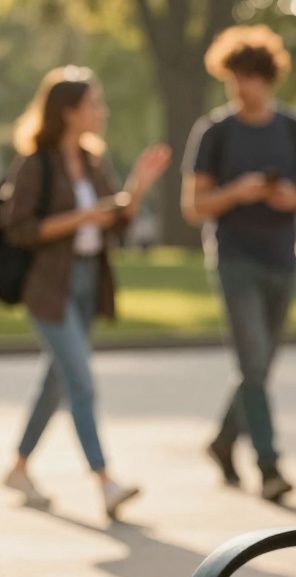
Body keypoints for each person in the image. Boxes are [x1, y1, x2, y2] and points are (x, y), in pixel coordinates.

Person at [1, 66, 171, 517]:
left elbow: (115, 219)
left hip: (87, 283)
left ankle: (18, 467)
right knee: (80, 381)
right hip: (48, 287)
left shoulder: (94, 161)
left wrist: (136, 188)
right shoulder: (35, 163)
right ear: (68, 111)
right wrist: (81, 218)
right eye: (94, 104)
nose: (102, 111)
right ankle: (105, 480)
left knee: (56, 382)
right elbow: (19, 228)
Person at [182, 25, 296, 501]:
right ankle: (270, 466)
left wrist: (291, 198)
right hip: (235, 258)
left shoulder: (294, 130)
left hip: (282, 258)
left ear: (268, 78)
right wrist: (235, 192)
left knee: (258, 368)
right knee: (254, 363)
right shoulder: (215, 132)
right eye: (234, 77)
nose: (242, 87)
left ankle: (223, 441)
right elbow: (194, 206)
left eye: (250, 77)